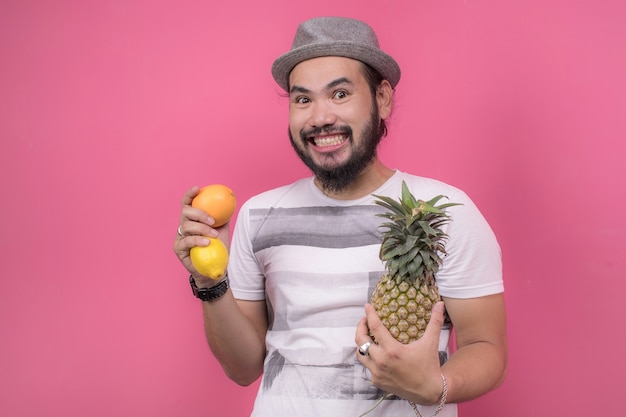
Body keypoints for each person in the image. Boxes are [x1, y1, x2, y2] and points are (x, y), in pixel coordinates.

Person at [173, 16, 507, 417]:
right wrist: (211, 281)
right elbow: (242, 368)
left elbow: (486, 348)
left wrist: (435, 386)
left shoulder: (439, 212)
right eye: (302, 99)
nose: (319, 117)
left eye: (341, 93)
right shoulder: (258, 214)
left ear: (382, 99)